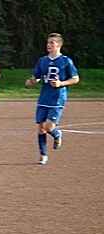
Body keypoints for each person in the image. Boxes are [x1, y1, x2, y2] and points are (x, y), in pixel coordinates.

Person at [25, 33, 79, 165]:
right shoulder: (42, 60)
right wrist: (32, 81)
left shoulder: (66, 61)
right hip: (44, 98)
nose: (49, 45)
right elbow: (37, 76)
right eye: (48, 42)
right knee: (41, 128)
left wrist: (61, 83)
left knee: (49, 126)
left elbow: (75, 78)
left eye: (52, 43)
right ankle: (43, 155)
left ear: (59, 45)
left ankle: (57, 134)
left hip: (57, 98)